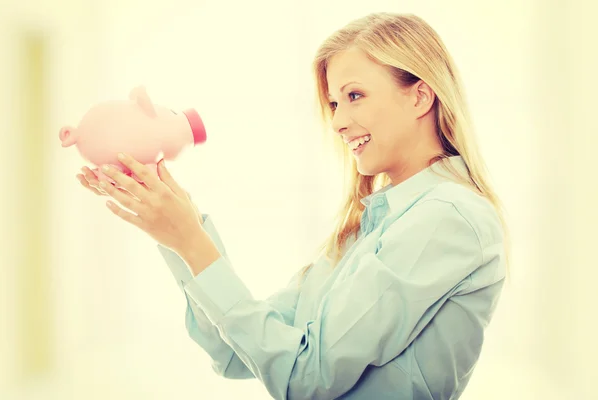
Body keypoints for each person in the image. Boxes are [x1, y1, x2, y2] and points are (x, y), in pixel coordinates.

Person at [77, 12, 508, 400]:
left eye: (354, 95)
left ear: (419, 96)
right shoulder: (372, 223)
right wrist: (175, 228)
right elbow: (233, 355)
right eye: (335, 103)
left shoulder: (446, 218)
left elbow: (306, 379)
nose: (337, 121)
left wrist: (191, 243)